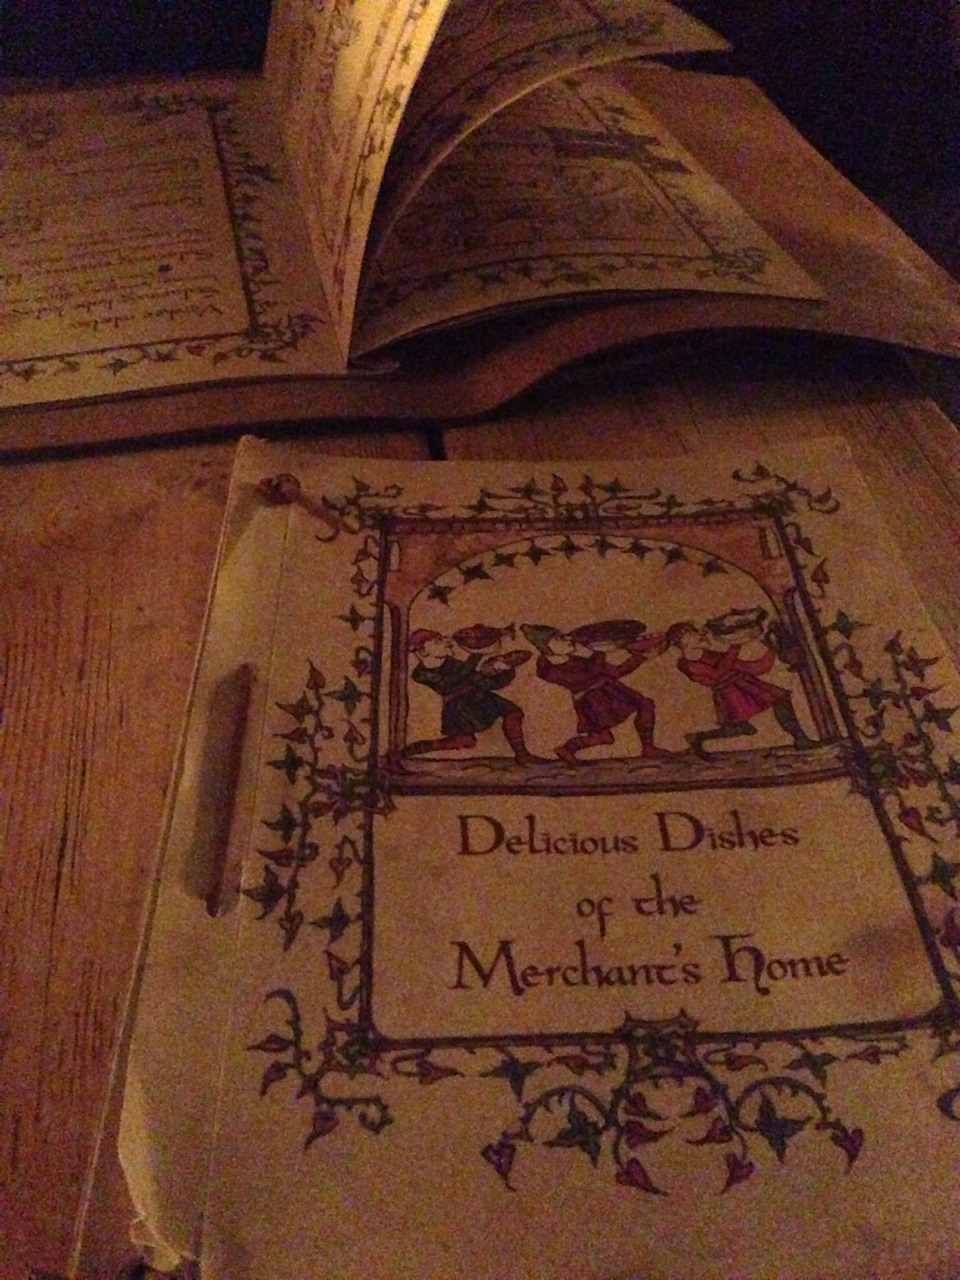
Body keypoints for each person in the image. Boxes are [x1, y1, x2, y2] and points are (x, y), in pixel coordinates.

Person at [667, 608, 815, 757]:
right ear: (682, 640)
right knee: (740, 728)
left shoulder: (711, 655)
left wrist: (772, 649)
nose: (702, 634)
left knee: (779, 699)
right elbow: (719, 673)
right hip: (730, 694)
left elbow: (753, 667)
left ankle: (801, 739)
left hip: (744, 684)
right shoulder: (687, 665)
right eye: (694, 632)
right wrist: (736, 644)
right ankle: (698, 737)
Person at [522, 619, 671, 763]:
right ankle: (568, 748)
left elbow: (616, 671)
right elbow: (583, 677)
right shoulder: (548, 669)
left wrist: (640, 657)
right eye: (559, 638)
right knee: (603, 737)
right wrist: (600, 652)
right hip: (592, 701)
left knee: (645, 705)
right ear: (545, 646)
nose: (568, 638)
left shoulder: (578, 660)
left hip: (608, 690)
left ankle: (648, 748)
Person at [405, 627, 535, 763]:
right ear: (423, 651)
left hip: (479, 696)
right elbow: (450, 681)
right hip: (459, 706)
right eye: (438, 641)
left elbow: (481, 681)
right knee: (464, 741)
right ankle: (409, 751)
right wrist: (476, 655)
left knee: (513, 712)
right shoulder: (420, 674)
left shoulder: (453, 663)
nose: (447, 642)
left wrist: (505, 669)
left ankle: (522, 755)